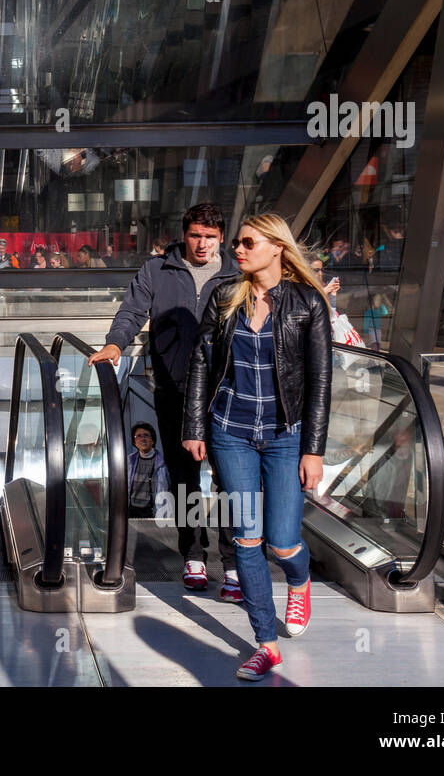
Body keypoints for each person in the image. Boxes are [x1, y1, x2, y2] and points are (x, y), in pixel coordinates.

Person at [182, 213, 332, 681]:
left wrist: (314, 449)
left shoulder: (308, 302)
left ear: (277, 248)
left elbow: (321, 379)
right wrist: (195, 426)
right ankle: (265, 643)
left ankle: (299, 579)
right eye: (239, 244)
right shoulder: (226, 297)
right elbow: (202, 363)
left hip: (287, 438)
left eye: (248, 243)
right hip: (231, 432)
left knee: (284, 543)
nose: (238, 250)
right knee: (247, 539)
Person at [89, 203, 241, 600]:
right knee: (184, 476)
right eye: (195, 235)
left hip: (225, 392)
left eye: (210, 236)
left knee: (229, 479)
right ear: (184, 234)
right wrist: (114, 344)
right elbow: (131, 312)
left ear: (221, 237)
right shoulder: (157, 270)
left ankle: (233, 562)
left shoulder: (236, 275)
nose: (202, 244)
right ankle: (193, 554)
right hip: (174, 389)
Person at [128, 422, 171, 519]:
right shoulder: (128, 462)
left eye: (146, 435)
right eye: (138, 436)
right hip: (131, 511)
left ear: (152, 440)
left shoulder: (163, 463)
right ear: (134, 442)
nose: (143, 439)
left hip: (152, 512)